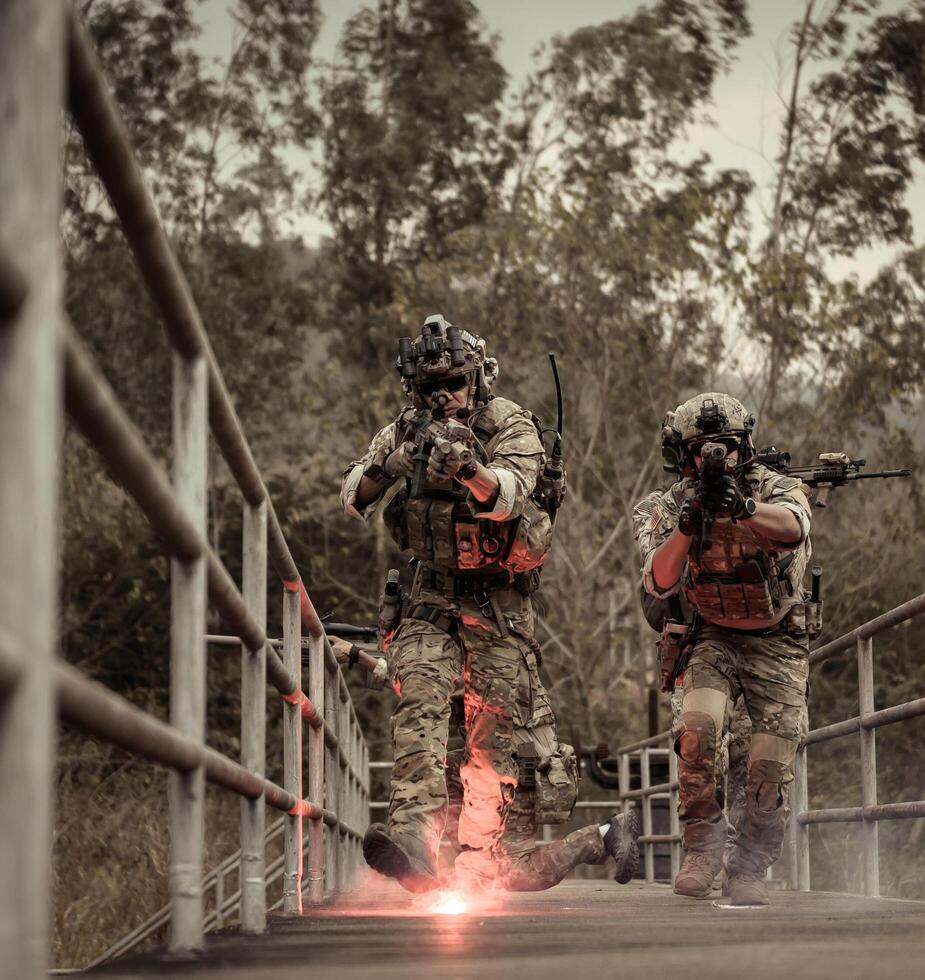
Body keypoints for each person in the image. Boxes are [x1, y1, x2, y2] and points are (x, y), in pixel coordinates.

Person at [341, 314, 640, 894]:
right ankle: (415, 839)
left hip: (500, 612)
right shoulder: (403, 430)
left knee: (489, 744)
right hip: (431, 599)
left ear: (477, 378)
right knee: (421, 701)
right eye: (430, 388)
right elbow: (355, 498)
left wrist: (467, 470)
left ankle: (480, 861)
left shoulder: (510, 425)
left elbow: (508, 496)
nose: (443, 396)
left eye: (454, 382)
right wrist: (395, 462)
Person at [630, 393, 813, 906]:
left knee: (770, 758)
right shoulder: (663, 506)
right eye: (701, 450)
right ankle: (703, 848)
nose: (713, 458)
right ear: (682, 456)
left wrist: (744, 508)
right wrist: (688, 526)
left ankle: (750, 865)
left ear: (743, 447)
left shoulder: (776, 487)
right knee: (698, 729)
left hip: (776, 638)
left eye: (725, 448)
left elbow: (794, 529)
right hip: (711, 634)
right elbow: (660, 580)